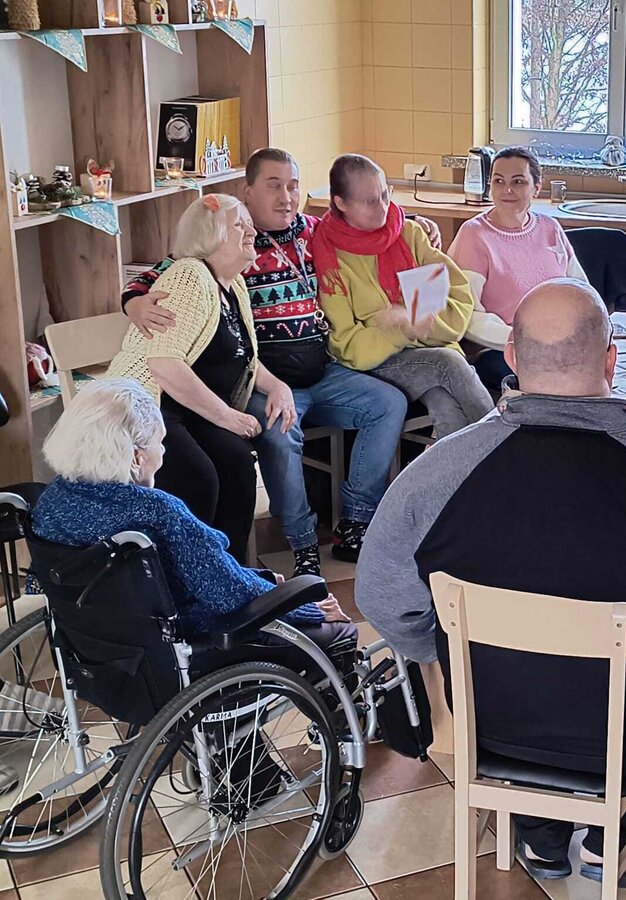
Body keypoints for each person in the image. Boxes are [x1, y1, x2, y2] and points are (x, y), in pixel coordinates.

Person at [355, 278, 626, 886]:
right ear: (611, 360)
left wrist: (436, 647)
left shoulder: (433, 474)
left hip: (492, 718)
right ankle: (619, 833)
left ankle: (539, 830)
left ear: (510, 356)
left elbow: (380, 595)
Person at [121, 149, 412, 576]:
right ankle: (302, 544)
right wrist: (133, 303)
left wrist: (412, 224)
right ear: (248, 191)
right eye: (274, 186)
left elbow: (371, 226)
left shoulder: (313, 231)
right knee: (279, 429)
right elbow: (159, 275)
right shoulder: (222, 247)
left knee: (389, 403)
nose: (286, 196)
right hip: (259, 379)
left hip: (323, 369)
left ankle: (355, 521)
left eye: (293, 186)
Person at [31, 379, 355, 666]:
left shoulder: (50, 502)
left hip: (99, 651)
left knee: (264, 583)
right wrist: (307, 609)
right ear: (136, 457)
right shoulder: (157, 511)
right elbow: (226, 594)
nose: (163, 452)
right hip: (184, 646)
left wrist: (264, 580)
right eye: (160, 442)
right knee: (339, 632)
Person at [107, 193, 291, 564]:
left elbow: (241, 356)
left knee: (237, 462)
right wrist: (229, 417)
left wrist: (276, 385)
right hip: (148, 406)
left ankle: (230, 573)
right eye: (239, 224)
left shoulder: (233, 285)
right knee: (198, 475)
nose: (251, 231)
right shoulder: (190, 276)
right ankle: (188, 575)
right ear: (210, 235)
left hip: (187, 409)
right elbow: (164, 364)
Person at [316, 154, 494, 436]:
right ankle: (502, 444)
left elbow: (457, 299)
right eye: (370, 201)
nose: (383, 208)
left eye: (385, 195)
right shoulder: (329, 256)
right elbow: (346, 346)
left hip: (430, 350)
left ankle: (473, 462)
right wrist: (402, 329)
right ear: (341, 203)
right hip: (373, 364)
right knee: (448, 364)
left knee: (446, 405)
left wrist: (414, 323)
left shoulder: (409, 233)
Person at [447, 145, 588, 390]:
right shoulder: (474, 235)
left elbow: (582, 291)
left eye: (518, 182)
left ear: (537, 187)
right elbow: (467, 316)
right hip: (503, 349)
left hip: (560, 345)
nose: (507, 190)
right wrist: (525, 342)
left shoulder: (550, 228)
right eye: (498, 181)